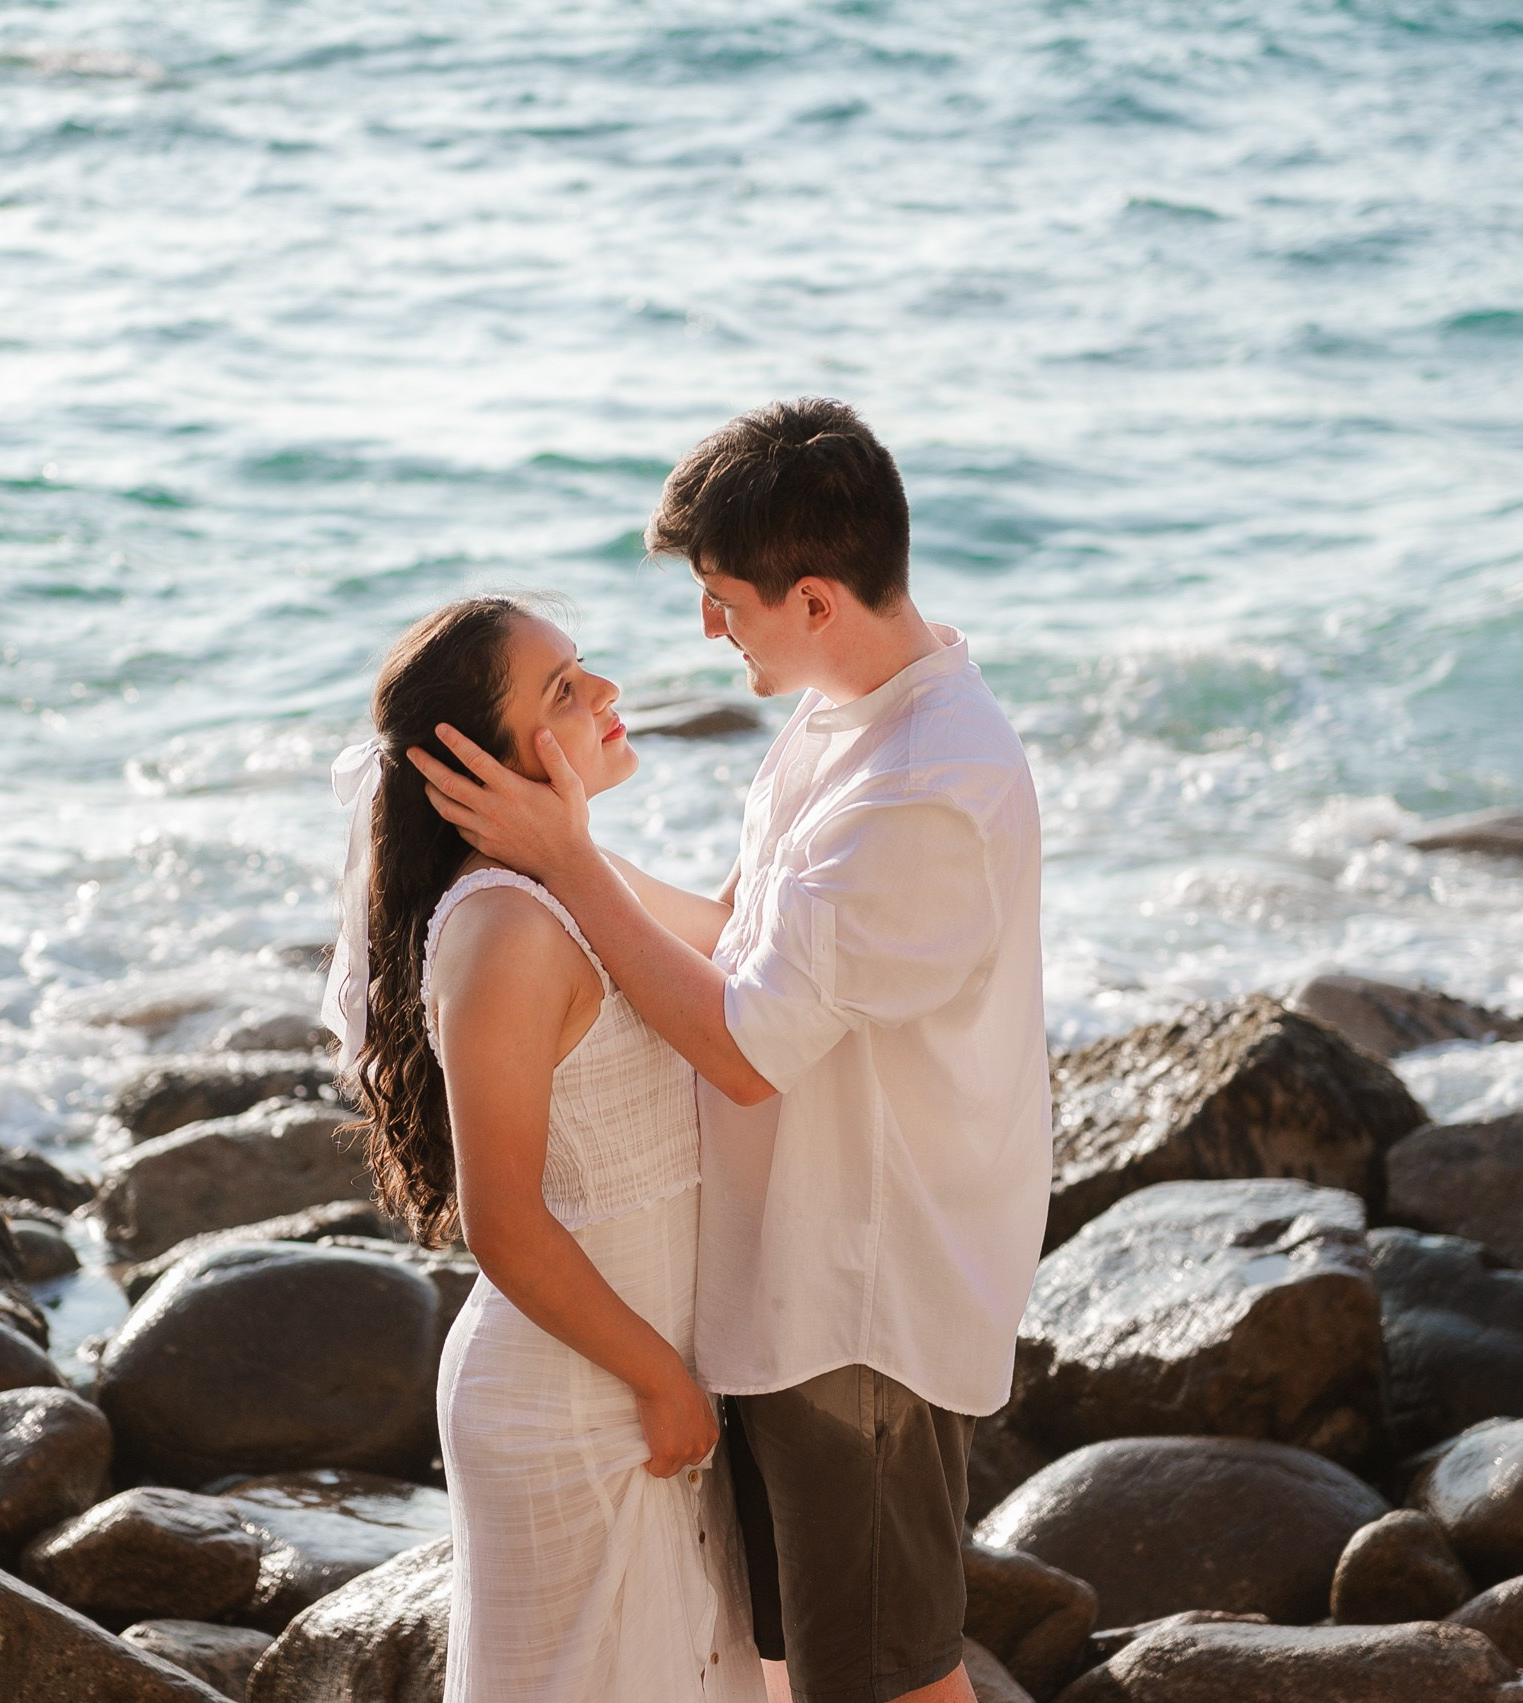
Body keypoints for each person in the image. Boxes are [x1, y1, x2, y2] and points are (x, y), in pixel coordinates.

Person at [408, 399, 1050, 1703]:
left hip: (862, 1303)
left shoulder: (931, 786)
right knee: (774, 1661)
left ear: (813, 597)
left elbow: (746, 1046)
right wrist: (554, 840)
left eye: (723, 597)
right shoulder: (836, 722)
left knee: (886, 1676)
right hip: (776, 1287)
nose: (706, 630)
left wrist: (570, 859)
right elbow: (735, 940)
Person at [321, 595, 761, 1702]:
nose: (608, 693)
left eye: (587, 669)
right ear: (477, 759)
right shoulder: (506, 927)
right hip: (573, 1390)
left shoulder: (568, 882)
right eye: (563, 688)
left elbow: (740, 948)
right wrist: (663, 1380)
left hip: (626, 1374)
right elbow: (502, 1219)